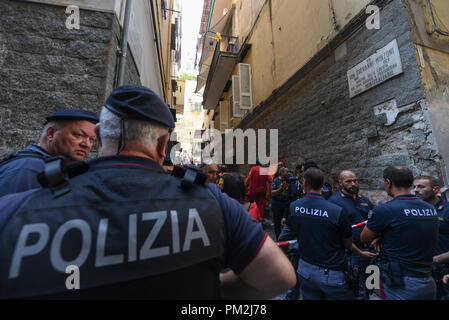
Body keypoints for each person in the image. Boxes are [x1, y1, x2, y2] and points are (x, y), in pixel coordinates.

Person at [0, 85, 296, 299]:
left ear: (101, 135)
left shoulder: (19, 205)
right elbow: (280, 277)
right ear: (162, 145)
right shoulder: (210, 201)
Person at [361, 166, 439, 300]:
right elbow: (411, 231)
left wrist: (380, 236)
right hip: (427, 279)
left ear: (388, 182)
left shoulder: (385, 210)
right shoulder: (430, 209)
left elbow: (365, 238)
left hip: (402, 284)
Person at [286, 167, 355, 300]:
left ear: (304, 183)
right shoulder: (337, 211)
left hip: (305, 270)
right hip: (332, 272)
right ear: (323, 184)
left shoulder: (294, 206)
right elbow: (348, 242)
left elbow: (292, 230)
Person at [0, 109, 98, 197]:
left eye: (92, 139)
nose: (87, 144)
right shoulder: (29, 169)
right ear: (51, 133)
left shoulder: (51, 167)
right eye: (78, 135)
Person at [328, 170, 376, 299]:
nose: (353, 184)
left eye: (355, 180)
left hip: (371, 253)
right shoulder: (334, 202)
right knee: (358, 289)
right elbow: (336, 234)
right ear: (340, 183)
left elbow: (374, 222)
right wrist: (358, 252)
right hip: (353, 254)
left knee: (371, 285)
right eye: (348, 181)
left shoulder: (365, 200)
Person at [414, 176, 449, 299]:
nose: (416, 190)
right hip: (423, 273)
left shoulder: (447, 210)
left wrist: (437, 259)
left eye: (421, 187)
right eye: (415, 187)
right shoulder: (416, 211)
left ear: (436, 189)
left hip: (445, 272)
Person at [271, 167, 291, 240]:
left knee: (286, 223)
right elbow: (272, 193)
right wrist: (280, 189)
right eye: (287, 172)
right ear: (282, 173)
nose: (289, 173)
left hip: (285, 205)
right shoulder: (276, 181)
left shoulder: (288, 180)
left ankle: (284, 239)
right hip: (277, 204)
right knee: (277, 223)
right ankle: (278, 240)